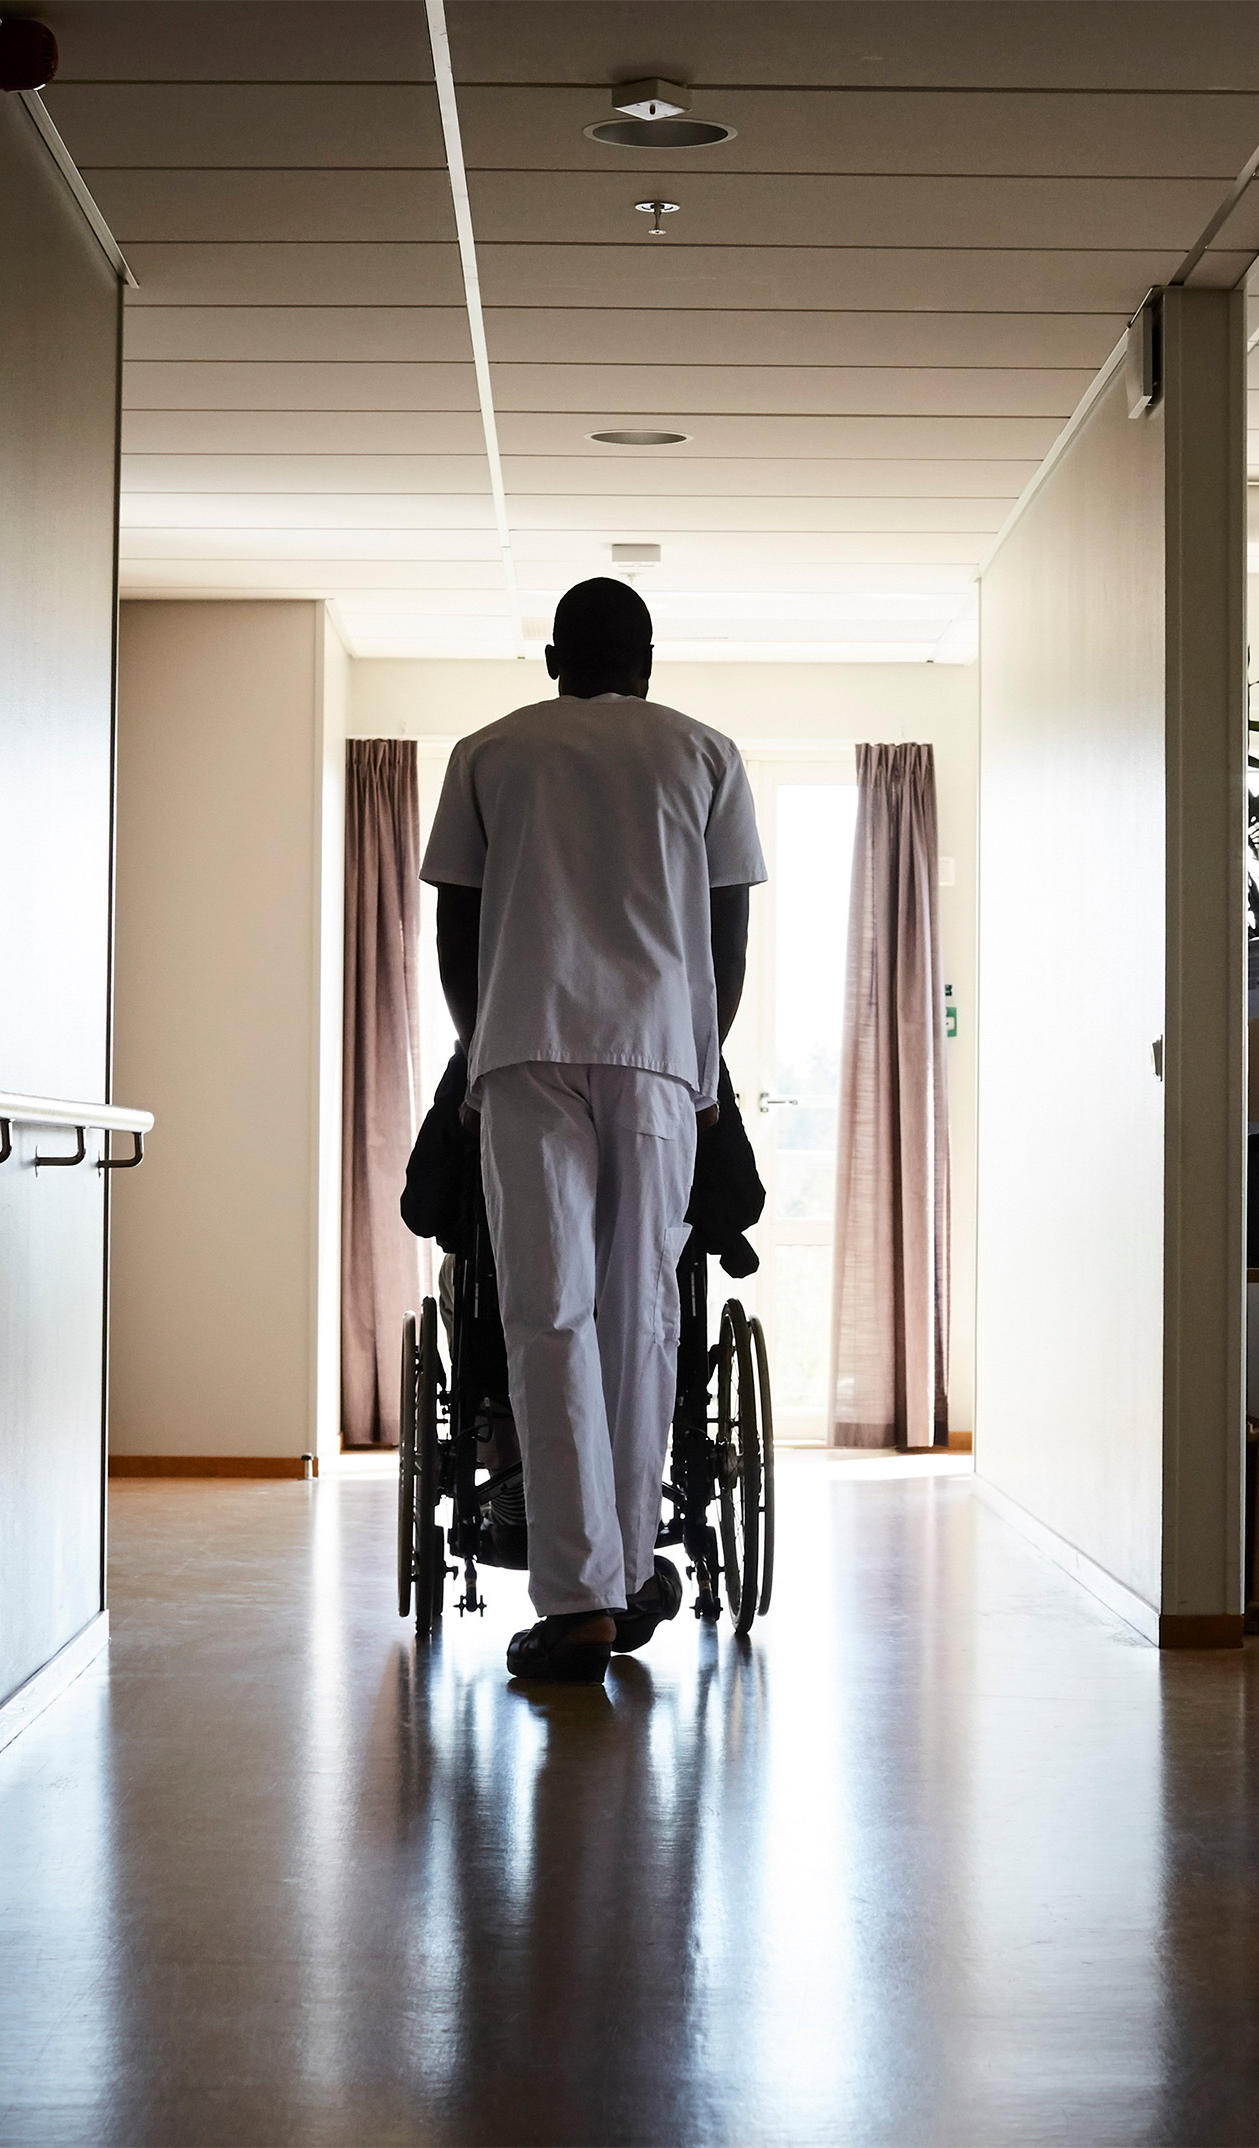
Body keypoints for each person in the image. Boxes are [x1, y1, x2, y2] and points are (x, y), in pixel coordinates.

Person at [421, 578, 763, 1681]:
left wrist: (483, 1046)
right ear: (649, 656)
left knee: (546, 1312)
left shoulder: (489, 751)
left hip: (526, 1044)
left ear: (556, 656)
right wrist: (700, 1060)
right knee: (642, 1312)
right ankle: (622, 1580)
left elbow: (457, 927)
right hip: (661, 1053)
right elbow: (729, 936)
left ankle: (578, 1599)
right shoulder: (706, 753)